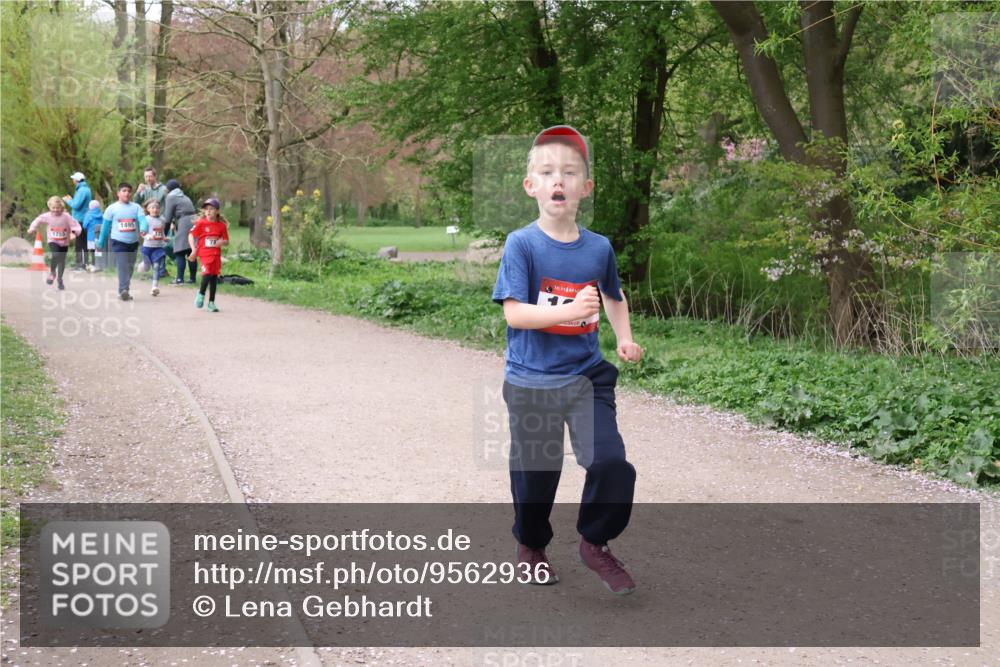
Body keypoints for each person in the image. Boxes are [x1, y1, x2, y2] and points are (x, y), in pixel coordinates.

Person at [491, 125, 643, 595]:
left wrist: (624, 337)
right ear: (530, 186)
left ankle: (595, 541)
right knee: (536, 477)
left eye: (570, 172)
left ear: (585, 188)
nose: (558, 179)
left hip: (586, 377)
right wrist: (570, 310)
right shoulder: (522, 244)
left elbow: (613, 296)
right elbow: (515, 314)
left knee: (611, 463)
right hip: (531, 380)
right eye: (547, 172)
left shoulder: (598, 248)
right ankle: (531, 547)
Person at [98, 182, 147, 301]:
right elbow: (105, 226)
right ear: (118, 193)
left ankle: (125, 290)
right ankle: (123, 290)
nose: (127, 193)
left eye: (129, 191)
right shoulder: (112, 208)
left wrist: (143, 229)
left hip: (133, 242)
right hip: (118, 241)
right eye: (124, 191)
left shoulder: (136, 207)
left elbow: (143, 220)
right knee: (123, 266)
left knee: (130, 268)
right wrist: (101, 242)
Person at [27, 196, 81, 290]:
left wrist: (74, 233)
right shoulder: (47, 216)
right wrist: (32, 228)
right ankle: (52, 273)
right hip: (53, 240)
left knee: (62, 261)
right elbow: (38, 220)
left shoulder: (66, 216)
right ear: (49, 207)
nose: (55, 210)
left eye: (58, 208)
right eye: (53, 208)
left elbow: (75, 225)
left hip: (64, 242)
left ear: (61, 207)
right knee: (56, 255)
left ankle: (60, 280)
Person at [188, 197, 229, 312]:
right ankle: (201, 295)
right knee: (206, 274)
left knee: (214, 278)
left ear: (217, 211)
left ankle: (211, 303)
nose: (208, 211)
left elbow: (226, 241)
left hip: (216, 255)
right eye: (206, 209)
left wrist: (221, 242)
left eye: (211, 209)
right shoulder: (201, 223)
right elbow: (191, 235)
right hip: (204, 254)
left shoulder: (221, 226)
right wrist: (193, 249)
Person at [162, 179, 198, 284]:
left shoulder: (171, 197)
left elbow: (167, 218)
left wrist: (164, 233)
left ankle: (179, 278)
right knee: (190, 250)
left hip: (184, 222)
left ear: (169, 189)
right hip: (194, 221)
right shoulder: (184, 196)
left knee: (179, 251)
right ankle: (192, 278)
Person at [62, 171, 92, 270]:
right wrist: (72, 199)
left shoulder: (82, 190)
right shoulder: (85, 189)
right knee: (82, 242)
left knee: (80, 242)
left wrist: (68, 200)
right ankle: (82, 262)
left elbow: (76, 205)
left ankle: (81, 264)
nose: (73, 181)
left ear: (77, 180)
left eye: (73, 179)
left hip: (80, 219)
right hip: (83, 219)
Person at [140, 199, 169, 297]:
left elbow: (161, 231)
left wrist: (164, 238)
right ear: (148, 209)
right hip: (147, 247)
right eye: (152, 208)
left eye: (157, 208)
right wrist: (148, 236)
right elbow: (142, 233)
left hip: (158, 247)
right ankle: (143, 264)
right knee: (147, 267)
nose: (155, 210)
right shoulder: (146, 219)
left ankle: (154, 287)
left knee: (156, 267)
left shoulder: (162, 220)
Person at [82, 199, 103, 271]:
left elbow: (84, 225)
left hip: (91, 236)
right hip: (100, 236)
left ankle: (94, 264)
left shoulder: (88, 215)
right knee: (98, 250)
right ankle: (99, 264)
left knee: (93, 251)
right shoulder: (101, 214)